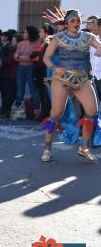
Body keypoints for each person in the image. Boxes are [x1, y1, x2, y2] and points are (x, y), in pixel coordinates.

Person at [41, 9, 101, 162]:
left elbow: (99, 46)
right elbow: (46, 58)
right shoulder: (57, 38)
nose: (76, 23)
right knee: (55, 114)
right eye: (73, 21)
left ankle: (84, 147)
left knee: (92, 111)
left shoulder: (88, 37)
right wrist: (55, 68)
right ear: (66, 23)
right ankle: (47, 147)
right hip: (61, 79)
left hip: (82, 79)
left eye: (78, 21)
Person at [14, 26, 41, 117]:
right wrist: (26, 58)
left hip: (31, 69)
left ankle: (37, 110)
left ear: (31, 34)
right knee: (19, 90)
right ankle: (19, 110)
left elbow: (34, 59)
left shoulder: (37, 44)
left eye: (26, 32)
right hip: (21, 68)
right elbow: (15, 56)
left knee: (33, 90)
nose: (24, 34)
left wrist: (20, 57)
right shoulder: (21, 43)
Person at [84, 16, 101, 100]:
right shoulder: (93, 40)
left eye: (95, 25)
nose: (93, 28)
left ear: (99, 27)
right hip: (94, 77)